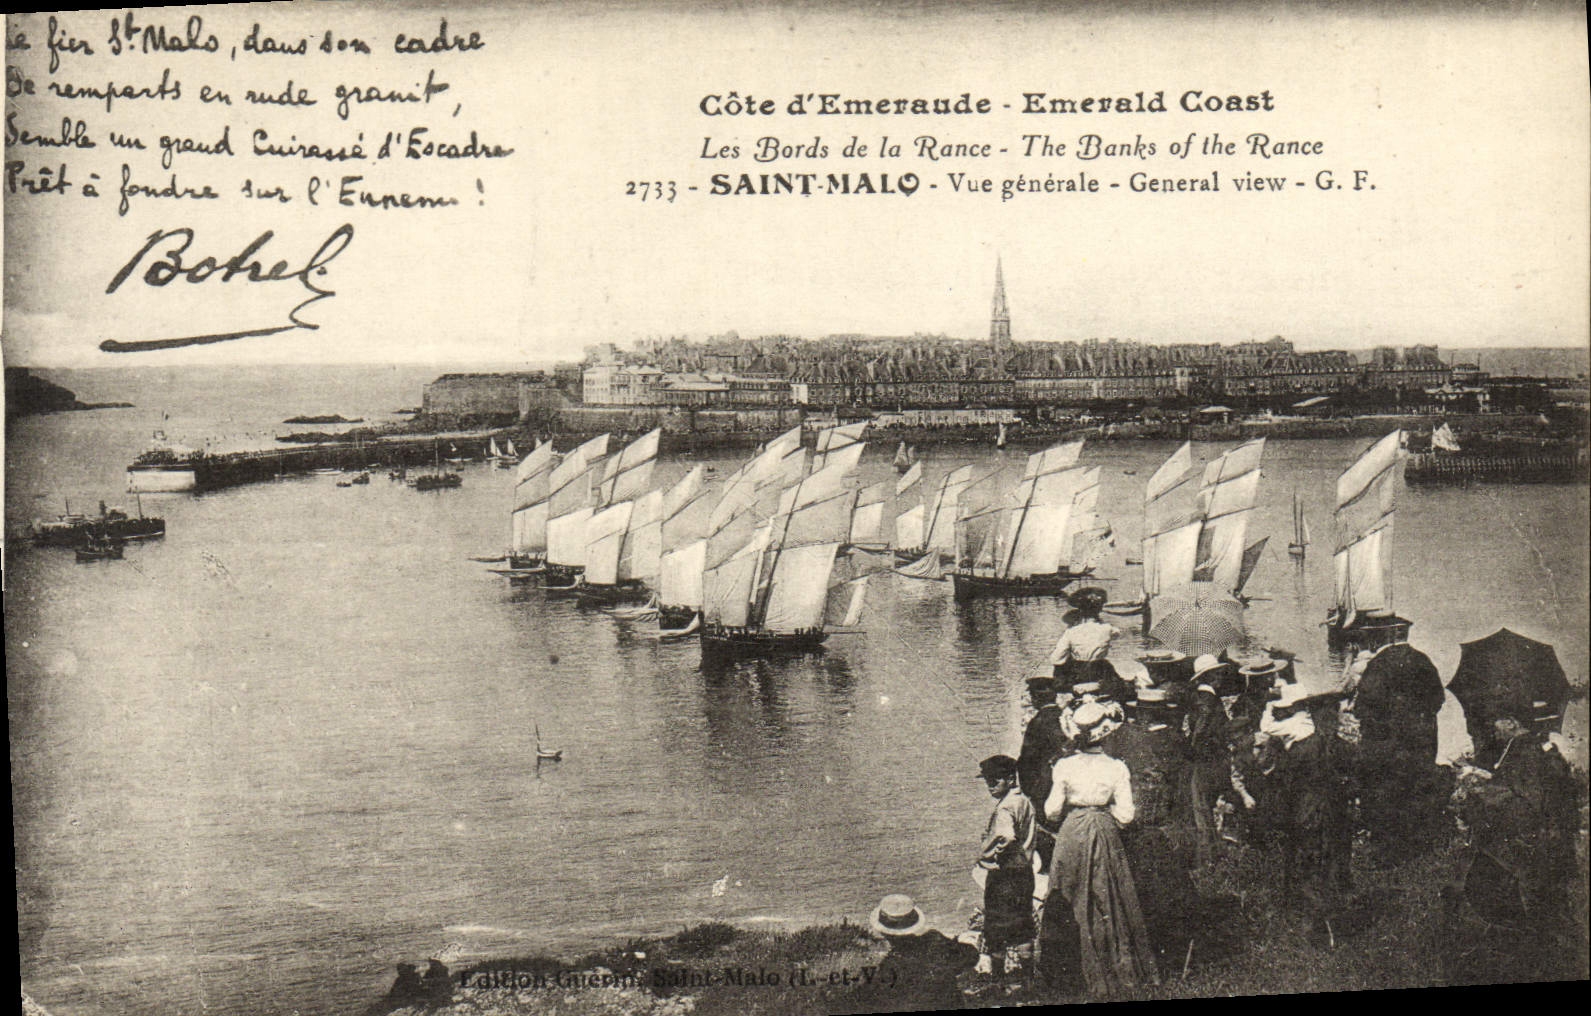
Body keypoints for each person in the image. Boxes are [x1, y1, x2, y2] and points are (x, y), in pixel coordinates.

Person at [1039, 702, 1160, 998]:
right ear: (1104, 736)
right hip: (1105, 830)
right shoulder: (1117, 767)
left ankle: (1071, 969)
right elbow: (1127, 814)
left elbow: (1052, 810)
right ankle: (1118, 966)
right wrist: (1104, 818)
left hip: (1073, 832)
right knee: (1111, 898)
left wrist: (1074, 814)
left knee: (1069, 895)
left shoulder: (1065, 765)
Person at [1257, 683, 1353, 903]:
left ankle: (1306, 901)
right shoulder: (1334, 744)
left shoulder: (1301, 745)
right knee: (1329, 852)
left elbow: (1286, 782)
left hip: (1306, 807)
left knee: (1306, 853)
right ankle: (1331, 896)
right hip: (1327, 807)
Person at [849, 894, 979, 1013]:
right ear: (915, 923)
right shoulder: (935, 939)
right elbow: (972, 956)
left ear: (883, 932)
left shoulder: (889, 966)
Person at [976, 755, 1037, 977]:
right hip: (1024, 873)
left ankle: (999, 981)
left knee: (996, 931)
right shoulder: (1024, 801)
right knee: (1022, 926)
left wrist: (997, 856)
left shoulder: (1005, 807)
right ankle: (1028, 979)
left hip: (1004, 876)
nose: (990, 786)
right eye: (988, 781)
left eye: (996, 780)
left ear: (1011, 779)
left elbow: (1007, 837)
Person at [1182, 655, 1235, 864]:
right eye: (1217, 674)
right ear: (1210, 676)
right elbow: (1201, 730)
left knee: (1203, 807)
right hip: (1211, 759)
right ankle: (1210, 855)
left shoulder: (1197, 697)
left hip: (1204, 759)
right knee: (1206, 806)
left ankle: (1210, 852)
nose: (1220, 678)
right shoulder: (1209, 700)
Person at [1017, 677, 1070, 872]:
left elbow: (1026, 761)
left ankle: (1049, 868)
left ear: (1036, 698)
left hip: (1043, 786)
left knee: (1044, 829)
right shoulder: (1066, 717)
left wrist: (1028, 790)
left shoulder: (1037, 723)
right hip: (1066, 784)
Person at [1049, 588, 1131, 702]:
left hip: (1077, 673)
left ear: (1080, 611)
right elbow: (1116, 633)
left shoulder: (1071, 631)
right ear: (1099, 610)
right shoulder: (1107, 628)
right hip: (1100, 671)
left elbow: (1056, 659)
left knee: (1059, 672)